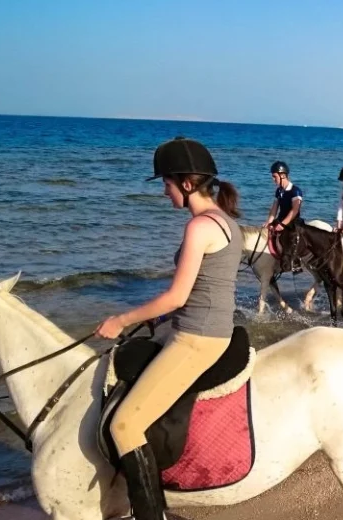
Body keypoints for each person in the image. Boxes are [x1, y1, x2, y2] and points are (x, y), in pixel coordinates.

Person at [95, 136, 243, 520]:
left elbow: (177, 296)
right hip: (202, 327)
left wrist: (121, 319)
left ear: (187, 184)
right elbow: (209, 289)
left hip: (197, 338)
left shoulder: (199, 228)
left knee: (125, 425)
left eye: (166, 183)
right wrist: (156, 318)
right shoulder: (227, 221)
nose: (164, 191)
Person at [263, 160, 303, 232]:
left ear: (283, 175)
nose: (273, 179)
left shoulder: (295, 191)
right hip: (280, 220)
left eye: (275, 176)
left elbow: (295, 210)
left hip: (292, 223)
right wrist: (269, 222)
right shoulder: (278, 191)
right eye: (272, 176)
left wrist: (283, 224)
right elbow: (274, 209)